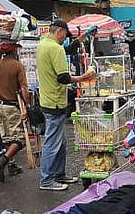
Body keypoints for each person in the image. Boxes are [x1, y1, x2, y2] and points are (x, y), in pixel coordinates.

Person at [35, 18, 96, 191]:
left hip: (47, 100)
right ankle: (46, 180)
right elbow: (63, 77)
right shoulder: (55, 48)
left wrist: (81, 39)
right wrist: (83, 78)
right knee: (52, 143)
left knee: (60, 143)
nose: (64, 39)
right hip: (55, 102)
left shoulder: (44, 44)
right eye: (64, 35)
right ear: (59, 31)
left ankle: (59, 174)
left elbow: (66, 49)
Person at [0, 44, 30, 182]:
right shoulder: (17, 66)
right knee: (19, 140)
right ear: (14, 51)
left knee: (7, 138)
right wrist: (27, 105)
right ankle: (3, 161)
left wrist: (2, 47)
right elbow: (24, 88)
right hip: (12, 107)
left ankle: (12, 165)